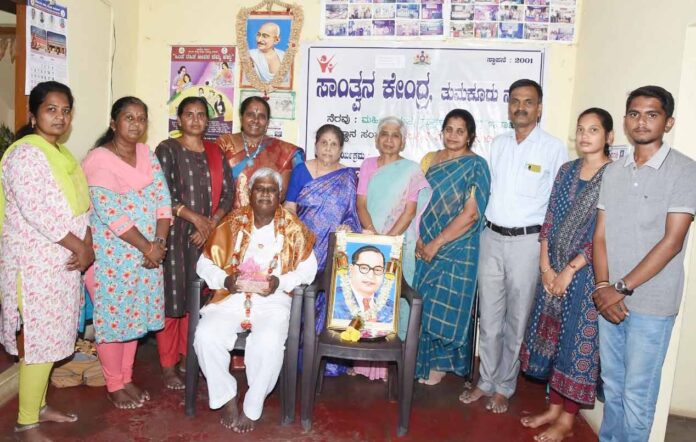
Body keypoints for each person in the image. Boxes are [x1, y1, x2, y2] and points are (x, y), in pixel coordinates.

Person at [593, 86, 696, 441]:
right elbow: (600, 235)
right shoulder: (613, 171)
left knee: (637, 395)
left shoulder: (685, 170)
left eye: (652, 114)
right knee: (612, 387)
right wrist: (603, 287)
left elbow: (672, 242)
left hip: (652, 305)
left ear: (668, 122)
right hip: (609, 300)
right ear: (625, 120)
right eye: (635, 114)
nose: (641, 121)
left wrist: (619, 288)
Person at [461, 79, 567, 413]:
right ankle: (485, 381)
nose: (521, 107)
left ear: (539, 108)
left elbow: (558, 204)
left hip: (527, 243)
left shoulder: (553, 148)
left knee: (516, 320)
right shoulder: (499, 144)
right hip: (491, 238)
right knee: (489, 319)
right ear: (508, 106)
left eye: (528, 101)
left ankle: (504, 386)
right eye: (515, 101)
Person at [0, 81, 92, 440]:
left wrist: (87, 242)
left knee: (52, 339)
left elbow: (81, 206)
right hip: (34, 265)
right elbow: (38, 212)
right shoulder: (25, 154)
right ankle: (26, 423)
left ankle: (38, 406)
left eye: (65, 111)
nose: (60, 117)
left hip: (61, 265)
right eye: (51, 109)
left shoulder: (61, 154)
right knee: (38, 342)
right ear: (34, 114)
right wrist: (79, 247)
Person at [194, 167, 317, 433]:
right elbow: (203, 264)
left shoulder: (294, 228)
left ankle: (252, 406)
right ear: (249, 193)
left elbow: (309, 271)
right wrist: (224, 280)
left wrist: (280, 282)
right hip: (231, 297)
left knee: (269, 342)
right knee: (205, 336)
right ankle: (226, 397)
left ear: (280, 195)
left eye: (271, 190)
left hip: (273, 301)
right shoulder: (232, 222)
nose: (265, 194)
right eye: (259, 189)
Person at [519, 108, 613, 441]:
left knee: (576, 346)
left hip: (585, 276)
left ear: (609, 137)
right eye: (581, 129)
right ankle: (553, 409)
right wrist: (546, 267)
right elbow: (549, 219)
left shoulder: (613, 176)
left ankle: (567, 421)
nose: (585, 136)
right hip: (552, 271)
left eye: (593, 130)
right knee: (554, 342)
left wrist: (569, 272)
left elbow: (603, 234)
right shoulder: (566, 170)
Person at [82, 96, 172, 410]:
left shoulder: (147, 155)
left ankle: (127, 377)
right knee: (113, 322)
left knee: (134, 318)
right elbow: (111, 214)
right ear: (113, 123)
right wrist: (148, 247)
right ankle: (114, 384)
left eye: (141, 118)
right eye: (128, 117)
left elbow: (163, 201)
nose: (135, 124)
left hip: (147, 257)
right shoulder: (99, 160)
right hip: (111, 259)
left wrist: (159, 244)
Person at [154, 97, 234, 390]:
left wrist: (209, 223)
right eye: (190, 114)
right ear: (179, 119)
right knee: (171, 298)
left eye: (201, 115)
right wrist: (195, 219)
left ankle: (189, 357)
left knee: (197, 299)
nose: (196, 119)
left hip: (207, 238)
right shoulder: (167, 149)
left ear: (208, 121)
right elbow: (162, 193)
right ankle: (167, 365)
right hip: (175, 235)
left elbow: (228, 194)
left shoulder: (215, 152)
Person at [414, 109, 491, 386]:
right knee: (422, 304)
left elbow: (471, 214)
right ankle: (421, 362)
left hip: (457, 246)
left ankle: (441, 365)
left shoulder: (476, 165)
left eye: (460, 131)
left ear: (470, 135)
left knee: (445, 305)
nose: (453, 135)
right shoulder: (430, 160)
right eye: (449, 129)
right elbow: (416, 201)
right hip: (424, 243)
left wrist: (437, 243)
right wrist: (419, 238)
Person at [354, 116, 431, 380]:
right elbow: (361, 204)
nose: (389, 140)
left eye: (395, 135)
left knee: (394, 299)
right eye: (384, 134)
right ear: (377, 139)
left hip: (398, 245)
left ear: (403, 141)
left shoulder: (411, 170)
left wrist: (387, 241)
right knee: (365, 297)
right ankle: (363, 360)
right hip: (369, 241)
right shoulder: (367, 165)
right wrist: (374, 238)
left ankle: (391, 362)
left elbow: (409, 212)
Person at [285, 123, 361, 270]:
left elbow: (352, 214)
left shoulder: (348, 177)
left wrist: (348, 227)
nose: (328, 148)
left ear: (340, 150)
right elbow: (289, 206)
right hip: (303, 244)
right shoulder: (301, 170)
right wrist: (299, 230)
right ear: (316, 147)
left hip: (334, 248)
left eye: (334, 144)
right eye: (324, 143)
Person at [216, 96, 303, 208]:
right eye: (250, 114)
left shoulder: (284, 151)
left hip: (267, 216)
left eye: (261, 116)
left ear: (267, 122)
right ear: (241, 118)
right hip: (227, 215)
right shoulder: (224, 143)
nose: (256, 120)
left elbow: (282, 194)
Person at [332, 246, 395, 325]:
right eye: (364, 268)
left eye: (378, 269)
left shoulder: (390, 308)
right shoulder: (333, 301)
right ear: (351, 269)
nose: (371, 276)